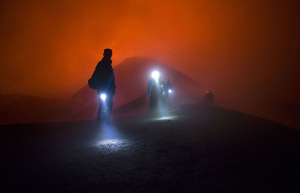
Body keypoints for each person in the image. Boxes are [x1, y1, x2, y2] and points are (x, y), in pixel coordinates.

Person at [89, 49, 116, 125]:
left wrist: (113, 88)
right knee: (103, 106)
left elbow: (111, 78)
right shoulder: (101, 65)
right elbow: (96, 76)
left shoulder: (108, 65)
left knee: (108, 105)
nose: (109, 55)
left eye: (110, 54)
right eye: (107, 54)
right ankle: (101, 122)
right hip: (103, 90)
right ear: (104, 54)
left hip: (107, 90)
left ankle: (105, 121)